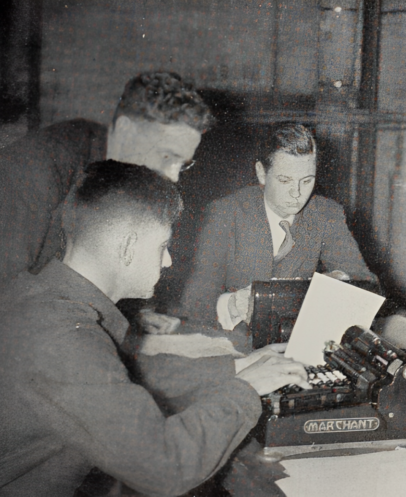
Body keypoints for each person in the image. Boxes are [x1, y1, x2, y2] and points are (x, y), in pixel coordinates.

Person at [0, 161, 309, 496]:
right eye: (163, 246)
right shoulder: (63, 336)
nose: (168, 262)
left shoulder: (35, 298)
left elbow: (123, 377)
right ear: (128, 247)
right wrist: (247, 388)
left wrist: (238, 367)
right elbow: (166, 467)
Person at [0, 71, 211, 285]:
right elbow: (9, 287)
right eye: (167, 156)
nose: (173, 176)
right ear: (126, 131)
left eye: (183, 164)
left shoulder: (125, 177)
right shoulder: (40, 165)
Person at [177, 123, 376, 349]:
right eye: (285, 180)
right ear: (261, 172)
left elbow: (367, 283)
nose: (297, 193)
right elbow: (193, 301)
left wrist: (339, 279)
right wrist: (232, 305)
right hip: (233, 345)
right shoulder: (226, 213)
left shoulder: (326, 214)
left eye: (307, 180)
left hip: (300, 345)